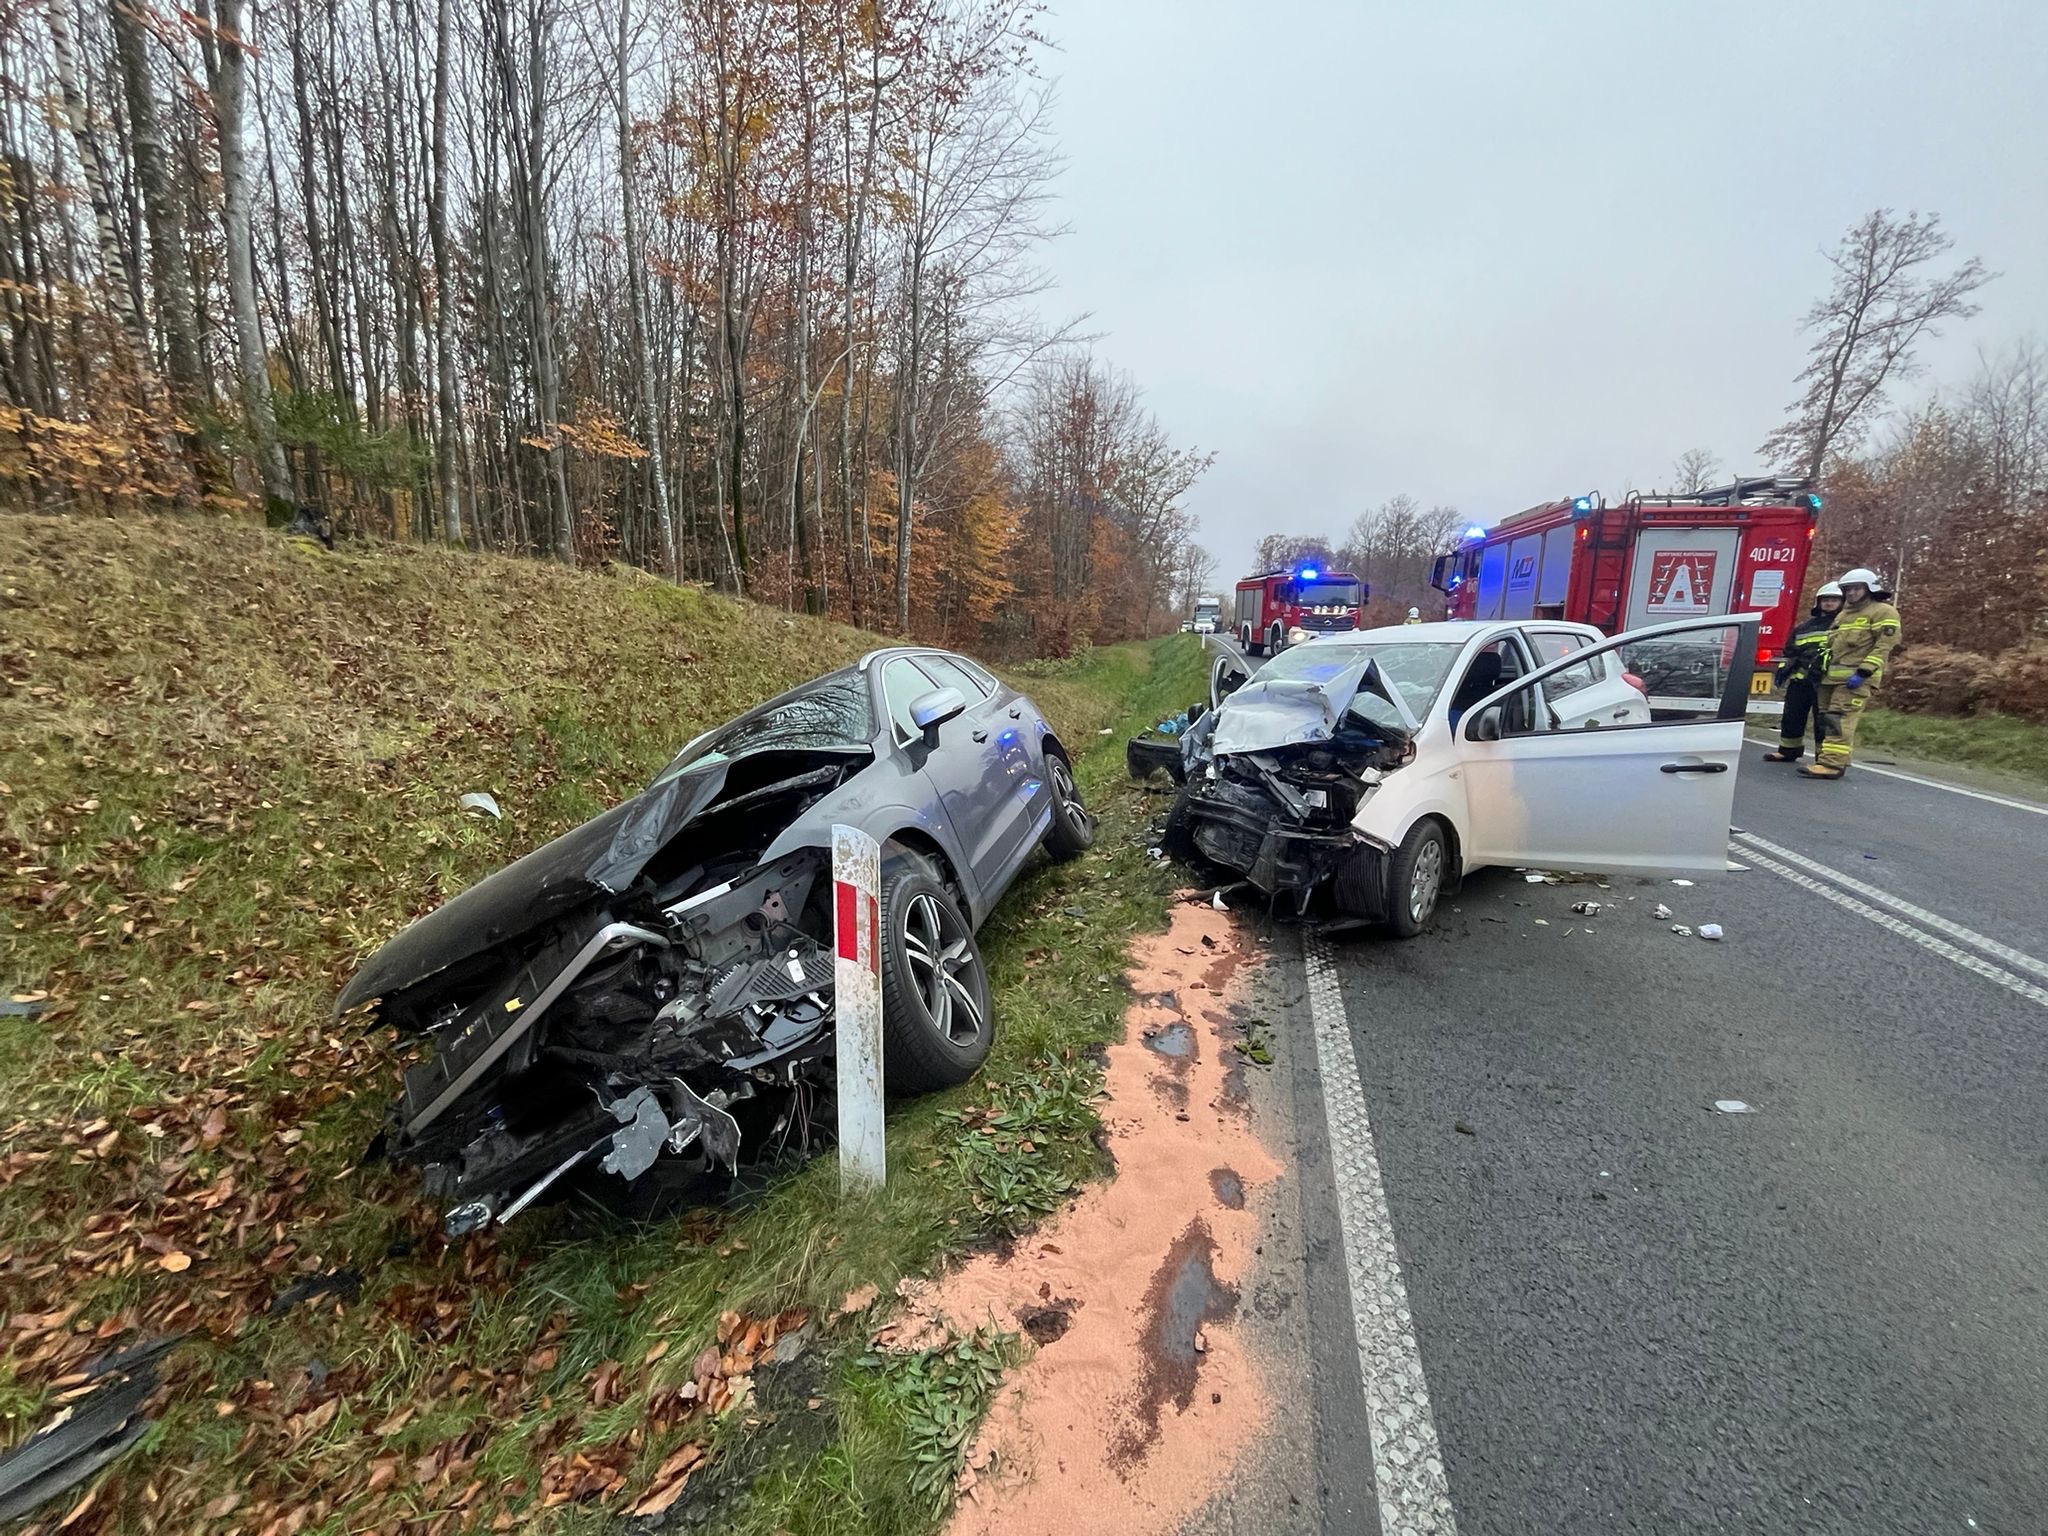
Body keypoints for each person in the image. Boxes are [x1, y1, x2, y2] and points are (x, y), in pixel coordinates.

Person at [1800, 567, 1902, 781]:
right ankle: (1834, 759)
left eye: (1857, 589)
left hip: (1855, 679)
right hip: (1830, 679)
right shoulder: (1843, 615)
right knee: (1827, 720)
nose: (1852, 593)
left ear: (1869, 589)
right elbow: (1830, 645)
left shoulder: (1883, 612)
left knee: (1839, 719)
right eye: (1848, 589)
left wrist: (1864, 672)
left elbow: (1884, 646)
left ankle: (1831, 765)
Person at [1762, 581, 1842, 763]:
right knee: (1792, 716)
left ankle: (1824, 757)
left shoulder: (1843, 626)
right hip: (1800, 680)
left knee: (1824, 720)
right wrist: (1786, 669)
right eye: (1826, 600)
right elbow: (1790, 651)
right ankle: (1788, 750)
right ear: (1818, 602)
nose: (1829, 603)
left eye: (1834, 600)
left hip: (1826, 681)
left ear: (1842, 602)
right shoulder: (1804, 627)